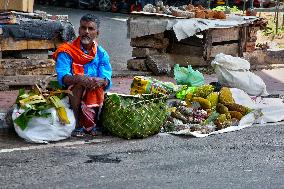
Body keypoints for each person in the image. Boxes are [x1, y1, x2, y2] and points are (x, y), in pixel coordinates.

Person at [53, 14, 112, 137]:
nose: (86, 32)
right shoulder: (66, 51)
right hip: (70, 94)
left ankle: (93, 123)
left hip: (93, 91)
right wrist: (79, 78)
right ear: (79, 30)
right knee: (79, 85)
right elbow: (62, 78)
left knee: (98, 86)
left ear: (97, 33)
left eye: (91, 29)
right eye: (83, 28)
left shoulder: (101, 53)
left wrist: (101, 81)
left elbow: (106, 78)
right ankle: (79, 124)